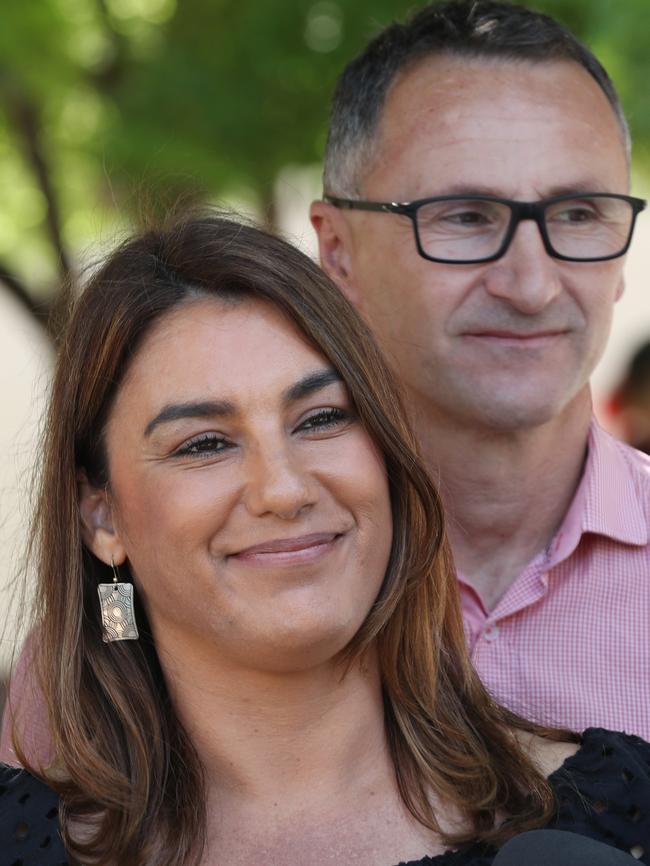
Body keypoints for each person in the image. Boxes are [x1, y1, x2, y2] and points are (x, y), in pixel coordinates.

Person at [1, 212, 649, 866]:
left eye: (322, 419)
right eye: (204, 443)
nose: (283, 490)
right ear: (102, 520)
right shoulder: (18, 839)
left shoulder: (615, 816)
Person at [309, 0, 650, 738]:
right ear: (337, 251)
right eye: (465, 216)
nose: (530, 285)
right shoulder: (220, 568)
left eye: (579, 214)